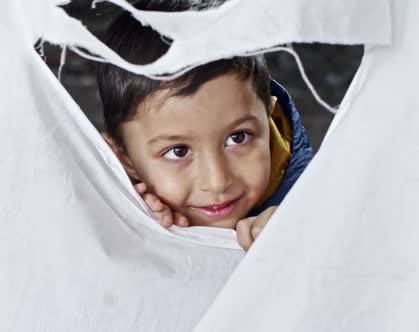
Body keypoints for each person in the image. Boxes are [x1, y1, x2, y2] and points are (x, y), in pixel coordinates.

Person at [97, 0, 313, 250]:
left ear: (269, 117)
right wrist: (124, 212)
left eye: (239, 137)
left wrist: (306, 227)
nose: (217, 181)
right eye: (178, 151)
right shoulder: (99, 219)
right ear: (123, 158)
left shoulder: (318, 202)